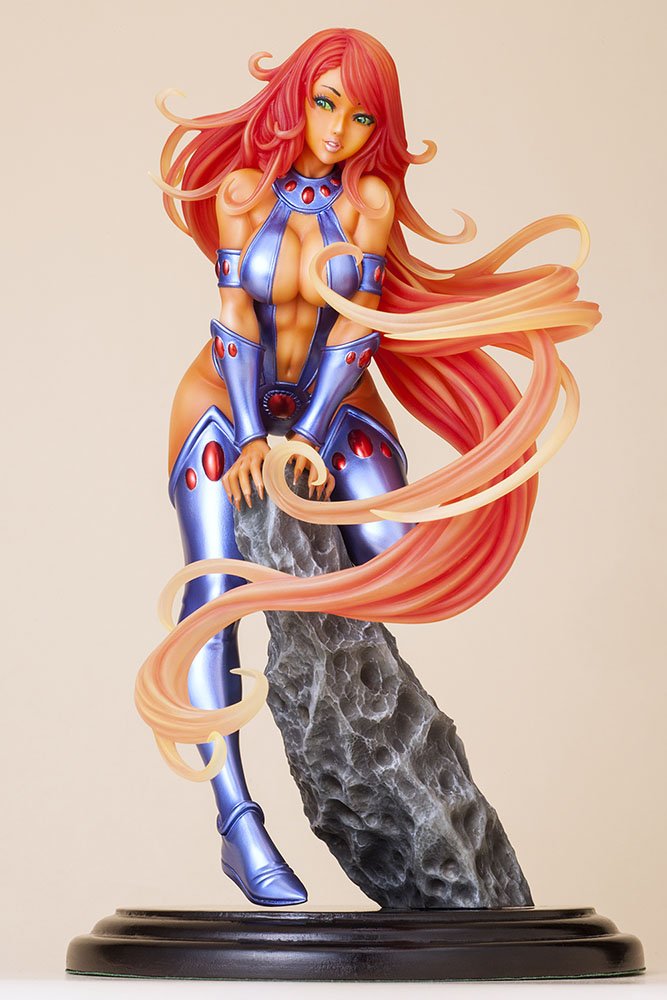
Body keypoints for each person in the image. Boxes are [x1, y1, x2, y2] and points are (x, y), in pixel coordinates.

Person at [135, 28, 600, 907]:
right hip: (223, 405)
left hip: (334, 407)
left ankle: (377, 749)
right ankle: (238, 821)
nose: (336, 128)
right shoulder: (242, 192)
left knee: (395, 554)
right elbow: (235, 319)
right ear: (295, 99)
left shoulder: (368, 203)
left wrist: (308, 435)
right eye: (324, 103)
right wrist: (252, 436)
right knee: (212, 595)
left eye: (359, 116)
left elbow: (356, 331)